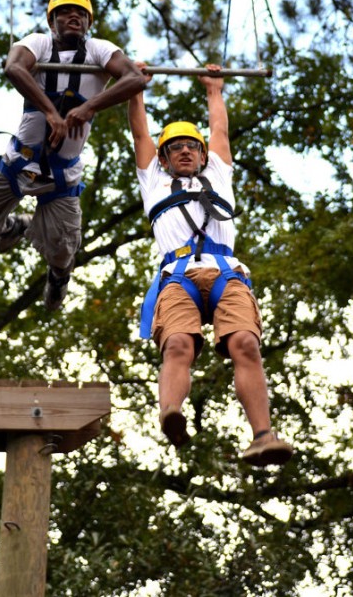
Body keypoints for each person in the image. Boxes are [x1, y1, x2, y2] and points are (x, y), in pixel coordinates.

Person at [127, 64, 293, 467]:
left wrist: (214, 90)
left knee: (246, 345)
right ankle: (171, 412)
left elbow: (219, 131)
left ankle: (262, 436)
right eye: (175, 148)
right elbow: (140, 134)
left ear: (202, 154)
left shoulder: (218, 174)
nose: (185, 151)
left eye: (191, 146)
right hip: (177, 276)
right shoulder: (155, 182)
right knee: (179, 345)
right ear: (164, 159)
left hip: (226, 273)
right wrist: (135, 89)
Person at [0, 0, 147, 310]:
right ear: (52, 21)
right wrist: (50, 111)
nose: (73, 17)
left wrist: (88, 108)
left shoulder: (99, 51)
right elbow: (14, 67)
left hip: (62, 175)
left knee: (62, 250)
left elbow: (134, 78)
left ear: (89, 23)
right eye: (64, 13)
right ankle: (12, 225)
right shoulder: (39, 44)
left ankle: (58, 276)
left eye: (81, 14)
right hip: (20, 162)